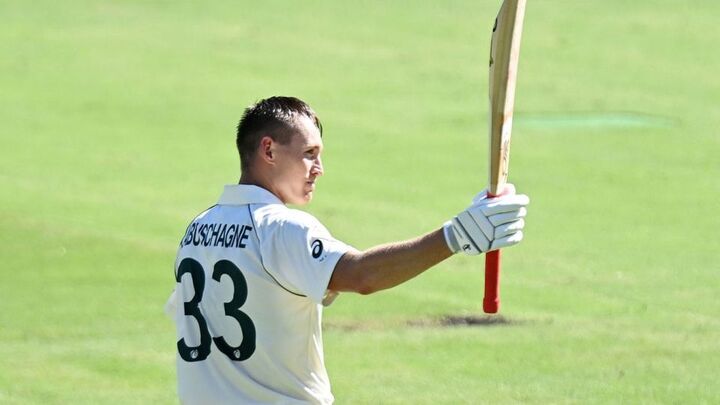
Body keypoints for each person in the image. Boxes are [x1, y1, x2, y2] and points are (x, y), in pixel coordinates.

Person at [164, 96, 529, 404]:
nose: (319, 169)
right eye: (309, 153)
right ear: (269, 150)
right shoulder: (280, 228)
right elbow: (362, 275)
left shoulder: (198, 230)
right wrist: (459, 234)